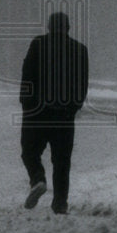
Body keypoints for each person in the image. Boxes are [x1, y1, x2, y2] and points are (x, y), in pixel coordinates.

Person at [19, 11, 89, 214]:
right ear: (68, 27)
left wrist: (27, 107)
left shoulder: (37, 45)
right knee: (62, 162)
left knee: (29, 152)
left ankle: (38, 179)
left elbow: (27, 77)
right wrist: (72, 109)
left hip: (37, 114)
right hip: (64, 117)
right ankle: (60, 203)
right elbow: (81, 84)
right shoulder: (79, 50)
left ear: (49, 27)